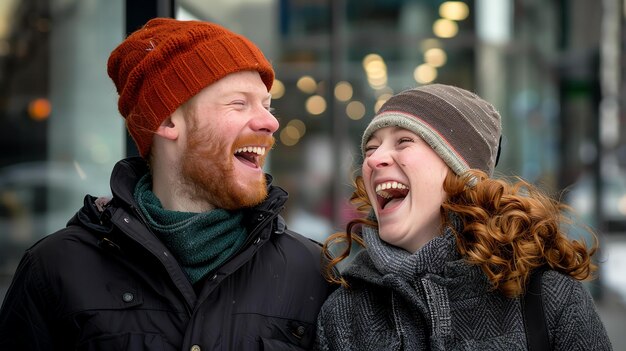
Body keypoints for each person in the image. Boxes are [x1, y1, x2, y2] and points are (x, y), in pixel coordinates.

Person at [0, 17, 334, 350]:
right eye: (239, 103)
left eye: (267, 105)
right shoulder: (57, 269)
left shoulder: (311, 272)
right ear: (168, 120)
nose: (270, 121)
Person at [314, 84, 612, 350]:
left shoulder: (546, 298)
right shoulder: (343, 315)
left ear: (461, 171)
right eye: (371, 147)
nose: (374, 159)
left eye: (404, 141)